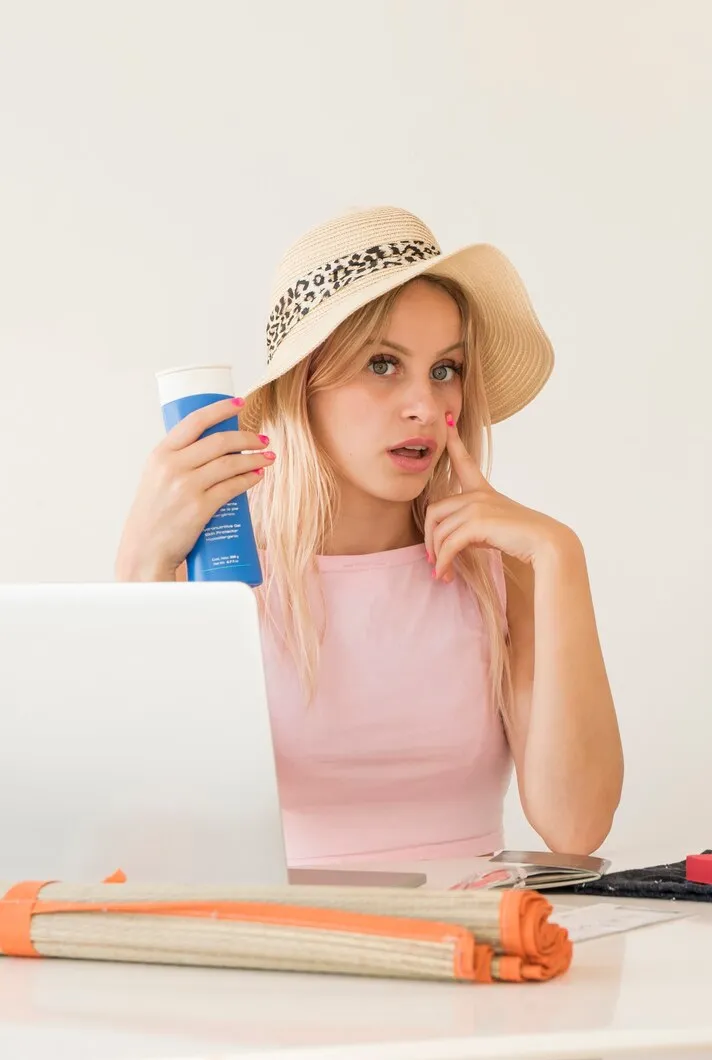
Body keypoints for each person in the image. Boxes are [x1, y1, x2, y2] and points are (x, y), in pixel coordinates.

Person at [115, 205, 623, 864]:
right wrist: (140, 567)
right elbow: (144, 836)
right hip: (283, 948)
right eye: (383, 364)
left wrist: (561, 557)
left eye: (446, 369)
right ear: (305, 388)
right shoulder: (220, 579)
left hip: (468, 949)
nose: (427, 406)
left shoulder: (502, 571)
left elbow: (576, 828)